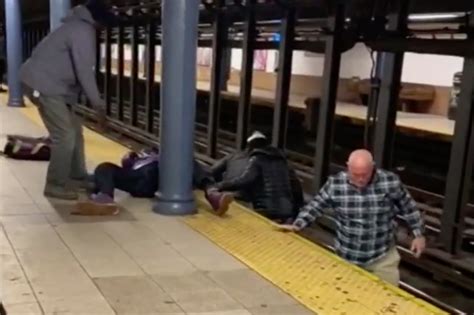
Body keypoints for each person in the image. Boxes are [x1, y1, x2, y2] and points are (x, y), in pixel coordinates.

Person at [277, 149, 425, 286]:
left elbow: (409, 208)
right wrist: (298, 224)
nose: (360, 180)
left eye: (365, 175)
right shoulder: (335, 184)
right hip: (347, 257)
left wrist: (418, 234)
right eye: (355, 175)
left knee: (389, 303)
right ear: (347, 167)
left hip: (382, 257)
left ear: (373, 167)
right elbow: (316, 205)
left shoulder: (390, 182)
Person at [19, 0, 116, 200]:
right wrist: (98, 106)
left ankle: (76, 175)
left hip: (51, 84)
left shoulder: (75, 26)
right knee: (64, 135)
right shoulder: (82, 31)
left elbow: (69, 71)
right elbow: (84, 72)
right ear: (98, 21)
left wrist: (72, 102)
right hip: (43, 84)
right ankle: (55, 185)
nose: (104, 29)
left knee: (75, 130)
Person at [76, 147, 234, 216]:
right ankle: (105, 198)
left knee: (185, 158)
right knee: (104, 167)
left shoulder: (164, 157)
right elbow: (121, 165)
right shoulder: (134, 162)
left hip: (160, 177)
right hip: (137, 181)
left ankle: (212, 194)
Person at [212, 131, 304, 222]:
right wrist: (297, 210)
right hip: (287, 210)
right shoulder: (283, 161)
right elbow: (296, 187)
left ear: (250, 147)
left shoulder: (256, 159)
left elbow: (244, 180)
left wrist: (219, 186)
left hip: (265, 210)